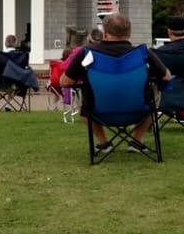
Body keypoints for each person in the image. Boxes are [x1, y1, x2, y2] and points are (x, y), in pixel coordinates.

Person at [60, 13, 170, 154]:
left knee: (84, 111)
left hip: (98, 112)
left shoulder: (87, 53)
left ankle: (103, 142)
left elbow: (64, 82)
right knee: (152, 105)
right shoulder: (142, 54)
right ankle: (136, 141)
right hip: (139, 111)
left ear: (104, 33)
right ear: (129, 33)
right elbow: (166, 76)